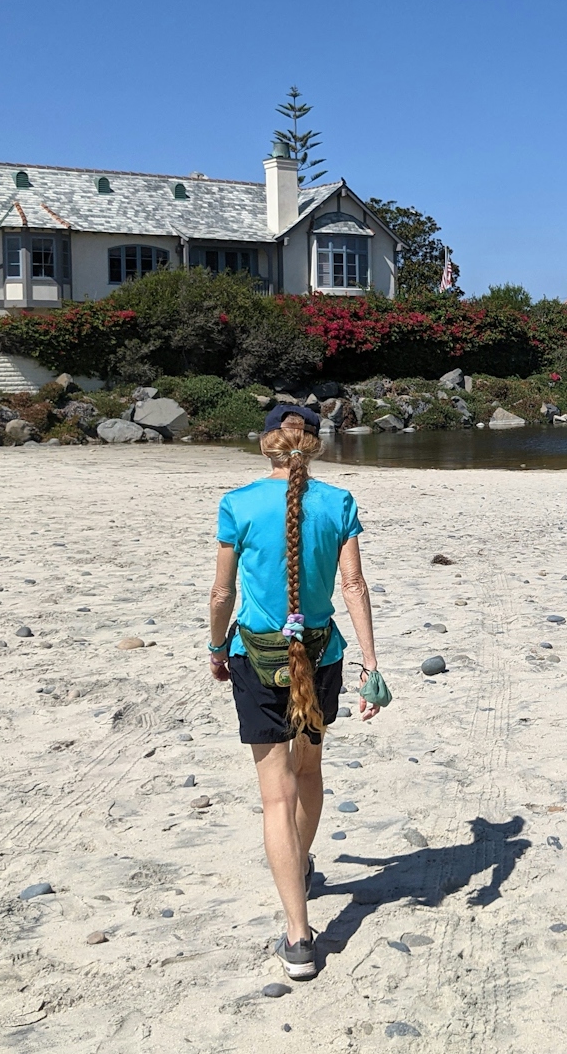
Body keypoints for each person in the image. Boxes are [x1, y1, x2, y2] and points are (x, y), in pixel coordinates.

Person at [208, 403, 380, 980]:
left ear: (268, 446)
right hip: (321, 657)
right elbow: (353, 583)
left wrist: (214, 647)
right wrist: (371, 665)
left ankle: (299, 936)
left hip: (257, 658)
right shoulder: (338, 503)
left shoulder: (238, 503)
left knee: (275, 797)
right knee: (307, 775)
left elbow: (220, 595)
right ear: (313, 445)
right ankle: (301, 864)